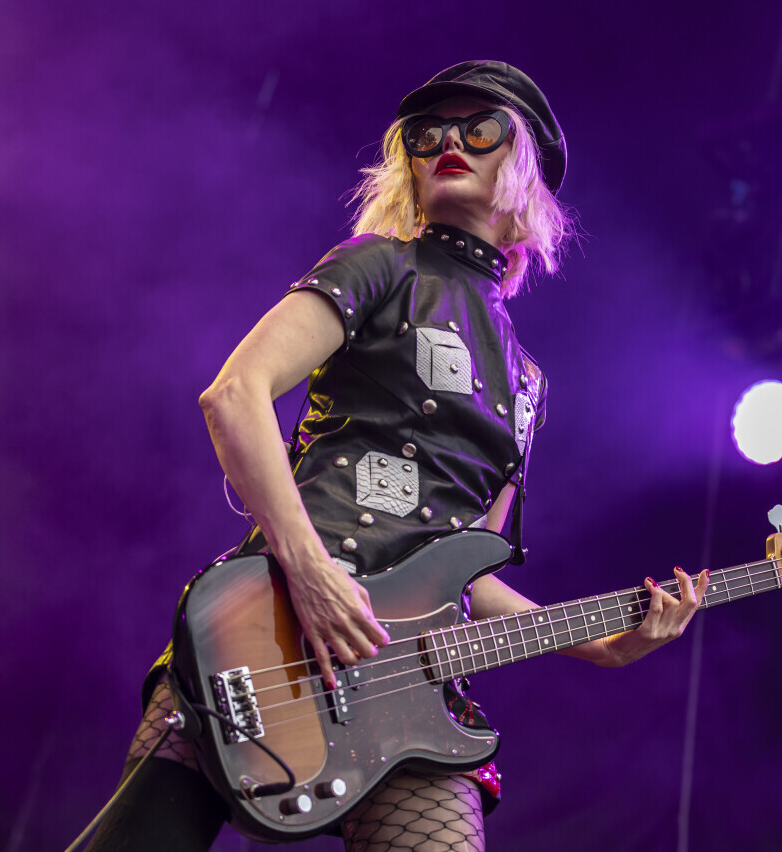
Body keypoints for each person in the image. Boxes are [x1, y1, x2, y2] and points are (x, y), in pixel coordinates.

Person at [87, 60, 709, 852]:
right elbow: (236, 395)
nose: (450, 141)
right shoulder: (379, 264)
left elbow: (465, 571)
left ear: (524, 167)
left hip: (408, 688)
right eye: (428, 132)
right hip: (270, 630)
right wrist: (312, 574)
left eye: (480, 128)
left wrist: (607, 644)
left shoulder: (527, 384)